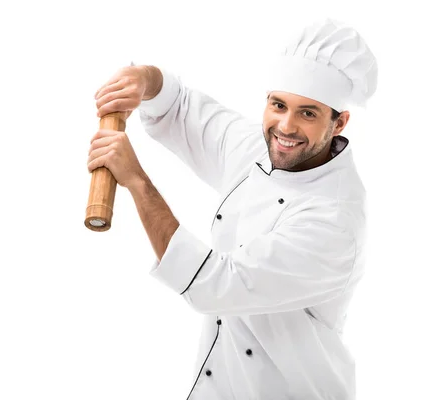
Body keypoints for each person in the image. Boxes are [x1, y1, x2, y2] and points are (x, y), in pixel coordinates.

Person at [87, 18, 377, 400]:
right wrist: (145, 80)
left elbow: (216, 284)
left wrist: (138, 182)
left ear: (340, 122)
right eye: (278, 105)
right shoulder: (257, 148)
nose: (285, 127)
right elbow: (180, 106)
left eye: (308, 113)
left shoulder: (334, 220)